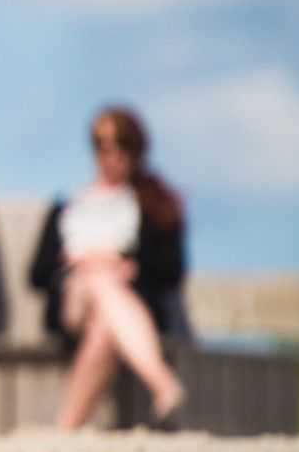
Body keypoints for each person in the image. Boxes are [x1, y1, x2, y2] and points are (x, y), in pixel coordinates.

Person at [30, 106, 187, 429]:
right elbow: (36, 272)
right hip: (73, 299)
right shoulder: (68, 203)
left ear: (136, 149)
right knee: (99, 279)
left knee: (103, 329)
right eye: (103, 145)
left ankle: (64, 429)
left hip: (124, 302)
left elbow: (172, 269)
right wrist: (81, 262)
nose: (111, 155)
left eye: (121, 145)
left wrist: (131, 265)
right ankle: (161, 381)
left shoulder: (153, 203)